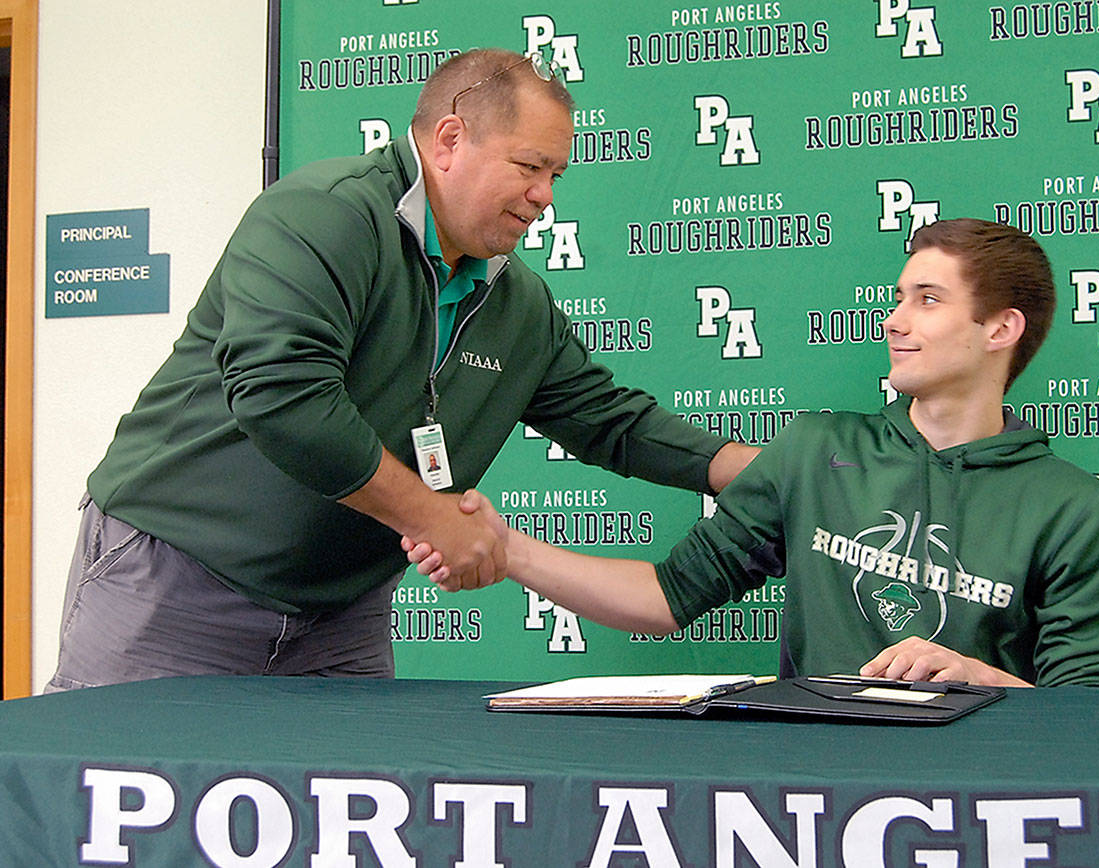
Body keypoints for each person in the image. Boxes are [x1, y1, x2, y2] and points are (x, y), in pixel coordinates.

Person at [45, 49, 757, 691]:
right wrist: (431, 516)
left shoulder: (519, 303)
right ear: (449, 140)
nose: (546, 195)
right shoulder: (323, 215)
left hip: (339, 616)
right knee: (116, 789)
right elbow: (282, 396)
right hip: (177, 582)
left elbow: (612, 422)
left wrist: (763, 470)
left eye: (555, 175)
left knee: (345, 798)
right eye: (529, 167)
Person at [407, 219, 1099, 687]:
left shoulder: (1072, 507)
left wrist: (975, 678)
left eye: (928, 300)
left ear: (1001, 328)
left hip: (983, 801)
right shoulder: (816, 450)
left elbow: (1087, 717)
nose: (894, 321)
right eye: (898, 298)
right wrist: (509, 550)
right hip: (818, 790)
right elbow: (665, 598)